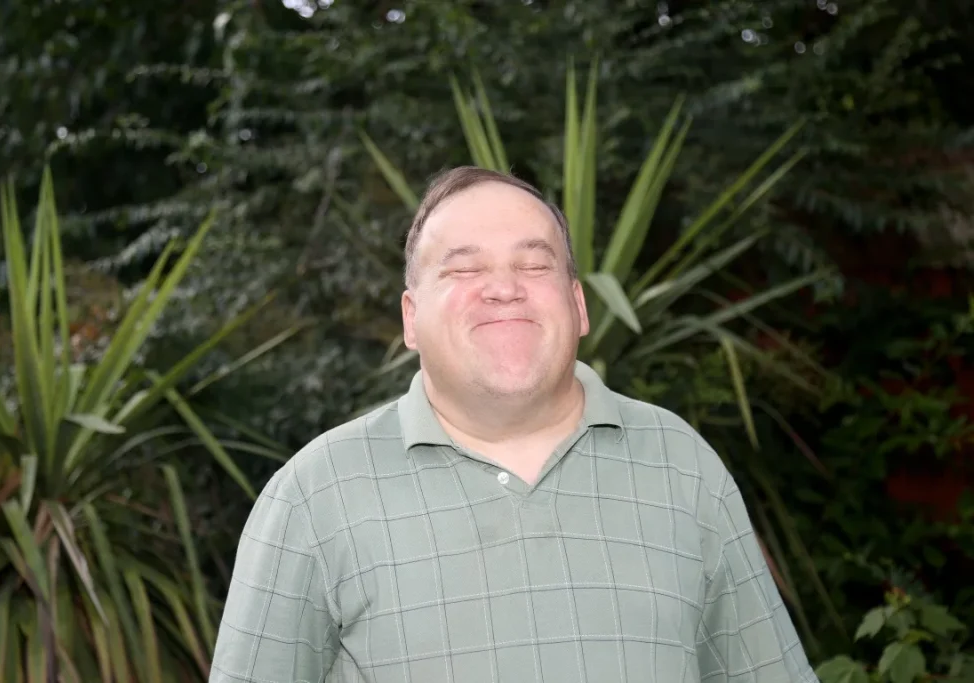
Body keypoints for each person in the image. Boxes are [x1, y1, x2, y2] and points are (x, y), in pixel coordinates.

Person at [208, 166, 819, 682]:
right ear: (411, 317)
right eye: (464, 270)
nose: (503, 289)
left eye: (533, 265)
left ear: (578, 305)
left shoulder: (680, 465)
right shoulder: (314, 497)